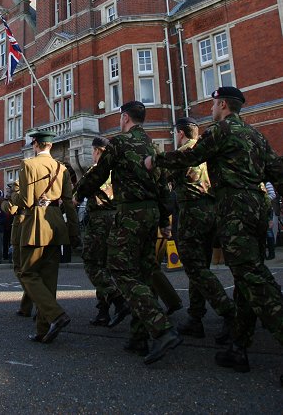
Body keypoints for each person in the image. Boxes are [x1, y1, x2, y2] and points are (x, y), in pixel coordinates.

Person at [145, 87, 283, 377]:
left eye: (213, 104)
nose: (210, 109)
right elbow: (277, 172)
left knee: (254, 278)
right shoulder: (256, 135)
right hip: (258, 208)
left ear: (222, 105)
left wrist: (154, 161)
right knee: (246, 278)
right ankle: (239, 347)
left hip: (235, 209)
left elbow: (190, 157)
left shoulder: (220, 131)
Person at [75, 101, 182, 364]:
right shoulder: (150, 145)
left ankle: (161, 327)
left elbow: (98, 174)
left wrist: (78, 193)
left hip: (131, 214)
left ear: (124, 118)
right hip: (152, 215)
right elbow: (163, 186)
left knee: (121, 270)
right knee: (144, 273)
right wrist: (165, 221)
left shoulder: (119, 144)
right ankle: (138, 336)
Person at [167, 117, 235, 341]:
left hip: (191, 214)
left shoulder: (185, 153)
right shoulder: (208, 152)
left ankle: (229, 312)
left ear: (180, 133)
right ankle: (195, 318)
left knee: (195, 269)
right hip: (212, 213)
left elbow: (162, 177)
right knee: (201, 266)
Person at [11, 130, 79, 344]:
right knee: (49, 279)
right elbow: (69, 202)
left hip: (35, 224)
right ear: (50, 146)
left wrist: (12, 197)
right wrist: (74, 232)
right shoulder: (62, 168)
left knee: (28, 273)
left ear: (36, 145)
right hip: (57, 225)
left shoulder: (28, 165)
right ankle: (43, 329)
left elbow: (25, 199)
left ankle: (56, 315)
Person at [75, 136, 129, 327]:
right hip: (118, 218)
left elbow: (78, 193)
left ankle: (118, 299)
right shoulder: (119, 171)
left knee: (93, 263)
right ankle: (103, 311)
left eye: (93, 151)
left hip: (99, 220)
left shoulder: (97, 170)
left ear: (97, 151)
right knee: (108, 265)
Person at [2, 183, 34, 317]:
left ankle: (40, 301)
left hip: (21, 227)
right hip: (36, 225)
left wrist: (5, 199)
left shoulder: (19, 184)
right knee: (32, 269)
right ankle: (26, 306)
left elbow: (11, 209)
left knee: (20, 268)